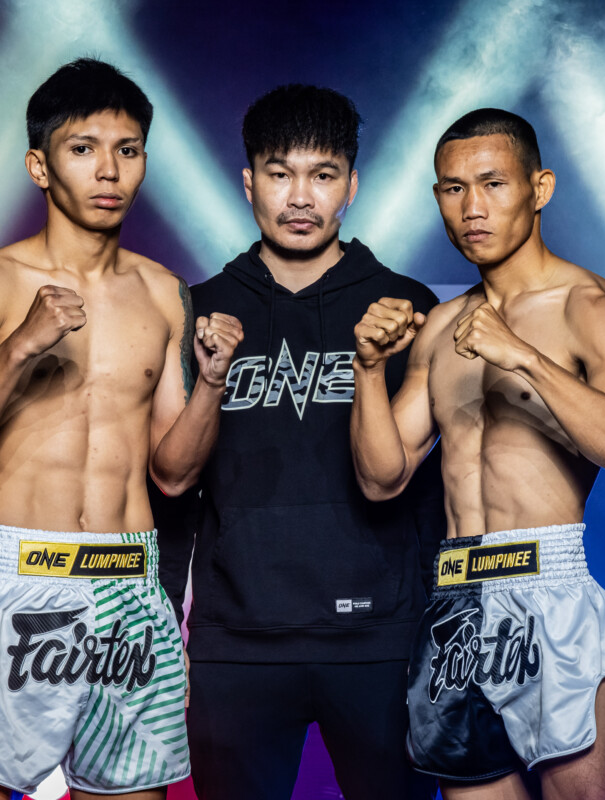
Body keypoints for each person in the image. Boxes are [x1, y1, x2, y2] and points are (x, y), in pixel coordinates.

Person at [0, 58, 242, 800]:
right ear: (40, 165)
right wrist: (20, 347)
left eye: (127, 150)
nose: (108, 170)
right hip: (21, 582)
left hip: (131, 587)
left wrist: (213, 383)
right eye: (83, 148)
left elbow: (174, 474)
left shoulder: (164, 292)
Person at [349, 108, 605, 800]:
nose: (472, 207)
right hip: (455, 607)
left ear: (539, 188)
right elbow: (380, 479)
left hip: (551, 590)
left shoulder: (585, 304)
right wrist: (368, 370)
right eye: (453, 189)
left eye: (493, 184)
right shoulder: (440, 327)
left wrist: (522, 357)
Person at [160, 84, 441, 799]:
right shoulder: (200, 310)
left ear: (352, 184)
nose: (300, 197)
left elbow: (432, 492)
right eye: (280, 173)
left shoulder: (406, 308)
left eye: (322, 175)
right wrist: (166, 629)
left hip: (381, 641)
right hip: (235, 644)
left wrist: (438, 631)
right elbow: (173, 493)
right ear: (248, 181)